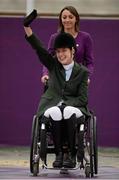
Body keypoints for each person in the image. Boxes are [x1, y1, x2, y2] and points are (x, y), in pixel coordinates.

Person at [24, 23, 90, 168]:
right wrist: (27, 29)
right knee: (54, 111)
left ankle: (71, 154)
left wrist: (65, 104)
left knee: (66, 110)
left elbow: (83, 99)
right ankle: (59, 154)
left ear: (72, 50)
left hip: (75, 107)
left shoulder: (83, 72)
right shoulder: (53, 65)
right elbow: (40, 49)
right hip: (52, 103)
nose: (60, 54)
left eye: (64, 51)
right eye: (58, 51)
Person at [41, 6, 94, 85]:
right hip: (57, 81)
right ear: (61, 20)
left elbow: (90, 63)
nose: (67, 20)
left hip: (78, 82)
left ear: (76, 19)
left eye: (71, 17)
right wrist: (45, 74)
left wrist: (87, 77)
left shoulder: (85, 37)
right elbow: (48, 60)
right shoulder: (54, 38)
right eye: (64, 17)